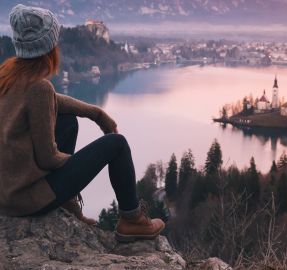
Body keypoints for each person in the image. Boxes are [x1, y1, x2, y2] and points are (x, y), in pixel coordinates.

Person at [0, 4, 165, 242]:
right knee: (117, 144)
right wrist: (80, 165)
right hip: (26, 200)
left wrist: (96, 113)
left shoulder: (9, 77)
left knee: (67, 121)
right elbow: (48, 158)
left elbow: (54, 102)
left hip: (7, 194)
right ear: (48, 47)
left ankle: (66, 203)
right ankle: (132, 220)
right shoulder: (39, 87)